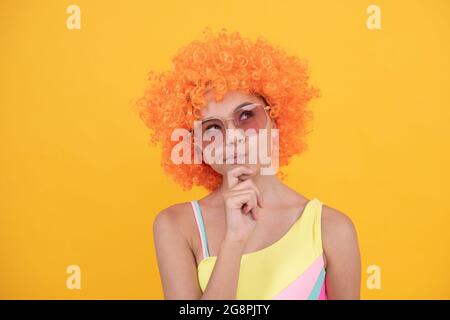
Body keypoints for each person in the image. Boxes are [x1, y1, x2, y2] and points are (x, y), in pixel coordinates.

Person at [137, 28, 361, 300]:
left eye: (246, 116)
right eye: (212, 128)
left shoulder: (331, 229)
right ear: (197, 145)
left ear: (275, 120)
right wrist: (234, 241)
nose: (232, 138)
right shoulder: (176, 226)